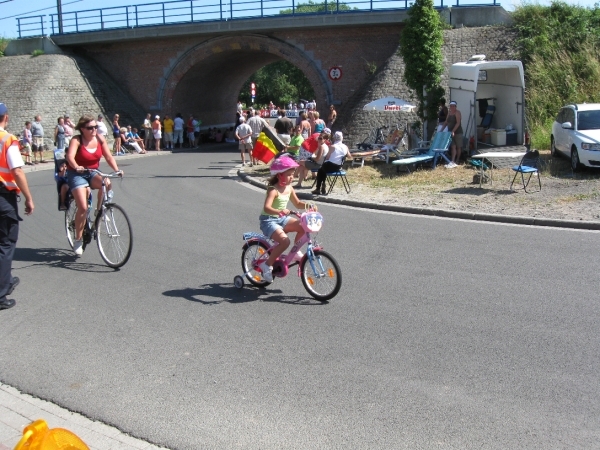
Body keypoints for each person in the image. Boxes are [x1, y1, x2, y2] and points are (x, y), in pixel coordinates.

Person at [65, 115, 121, 256]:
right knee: (83, 207)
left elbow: (108, 156)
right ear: (82, 129)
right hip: (77, 174)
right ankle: (78, 239)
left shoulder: (100, 139)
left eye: (95, 127)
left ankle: (99, 211)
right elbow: (70, 157)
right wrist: (77, 166)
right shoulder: (76, 140)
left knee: (107, 182)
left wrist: (116, 169)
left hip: (92, 172)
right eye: (90, 128)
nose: (94, 130)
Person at [0, 103, 35, 310]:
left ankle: (6, 278)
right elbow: (17, 171)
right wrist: (29, 197)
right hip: (3, 197)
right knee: (5, 244)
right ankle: (1, 295)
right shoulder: (8, 139)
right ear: (6, 117)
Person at [258, 155, 313, 283]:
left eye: (292, 174)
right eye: (289, 175)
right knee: (285, 242)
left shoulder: (289, 188)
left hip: (282, 219)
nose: (292, 177)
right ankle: (266, 265)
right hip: (268, 220)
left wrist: (308, 205)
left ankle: (296, 252)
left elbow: (298, 203)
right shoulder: (273, 190)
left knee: (303, 226)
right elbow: (267, 208)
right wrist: (279, 211)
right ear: (279, 175)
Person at [313, 131, 350, 195]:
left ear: (335, 138)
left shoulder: (332, 146)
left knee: (321, 169)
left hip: (330, 166)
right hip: (339, 167)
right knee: (323, 169)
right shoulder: (345, 147)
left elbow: (327, 158)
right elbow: (349, 156)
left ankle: (318, 188)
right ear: (342, 138)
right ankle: (322, 185)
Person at [441, 100, 463, 167]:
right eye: (451, 106)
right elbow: (446, 122)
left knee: (458, 147)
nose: (452, 107)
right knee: (453, 147)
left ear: (455, 106)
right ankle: (453, 160)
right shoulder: (449, 113)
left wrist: (453, 131)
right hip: (450, 133)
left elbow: (458, 123)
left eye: (453, 106)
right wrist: (441, 130)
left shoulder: (457, 112)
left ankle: (457, 160)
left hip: (458, 132)